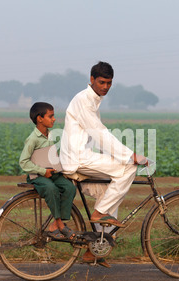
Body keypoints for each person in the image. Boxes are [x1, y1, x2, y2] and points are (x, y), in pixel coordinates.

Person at [60, 61, 147, 266]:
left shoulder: (92, 100)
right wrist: (130, 155)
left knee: (109, 192)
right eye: (102, 82)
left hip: (82, 154)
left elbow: (96, 133)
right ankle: (99, 214)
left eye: (109, 83)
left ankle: (97, 249)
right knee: (128, 167)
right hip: (78, 157)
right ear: (91, 80)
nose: (105, 86)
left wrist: (121, 155)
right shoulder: (84, 100)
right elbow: (100, 134)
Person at [19, 102, 77, 240]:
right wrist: (42, 171)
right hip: (38, 176)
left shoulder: (50, 136)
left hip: (52, 174)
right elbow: (23, 162)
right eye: (50, 116)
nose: (54, 119)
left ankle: (56, 225)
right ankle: (60, 225)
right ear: (40, 119)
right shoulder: (33, 139)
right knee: (51, 189)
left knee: (69, 187)